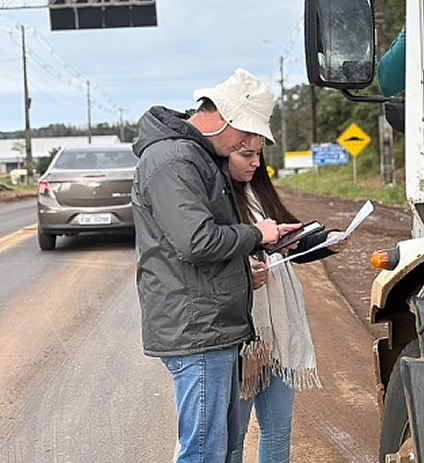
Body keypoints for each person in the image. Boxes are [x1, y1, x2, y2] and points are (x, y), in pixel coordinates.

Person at [131, 68, 282, 463]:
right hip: (197, 329)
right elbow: (197, 241)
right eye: (246, 135)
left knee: (222, 447)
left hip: (211, 324)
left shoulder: (195, 155)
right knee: (203, 452)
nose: (250, 145)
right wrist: (257, 236)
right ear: (224, 118)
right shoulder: (172, 159)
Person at [225, 137, 348, 463]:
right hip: (243, 334)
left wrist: (327, 240)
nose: (254, 162)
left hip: (280, 330)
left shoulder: (259, 192)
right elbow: (208, 253)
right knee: (231, 437)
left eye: (258, 155)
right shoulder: (216, 198)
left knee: (278, 430)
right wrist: (244, 277)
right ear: (224, 153)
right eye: (245, 154)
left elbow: (290, 240)